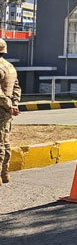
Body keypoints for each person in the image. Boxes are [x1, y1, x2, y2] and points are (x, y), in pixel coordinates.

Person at [0, 38, 22, 185]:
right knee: (5, 141)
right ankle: (5, 173)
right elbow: (16, 88)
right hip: (7, 110)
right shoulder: (10, 67)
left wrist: (8, 105)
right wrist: (14, 104)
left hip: (2, 107)